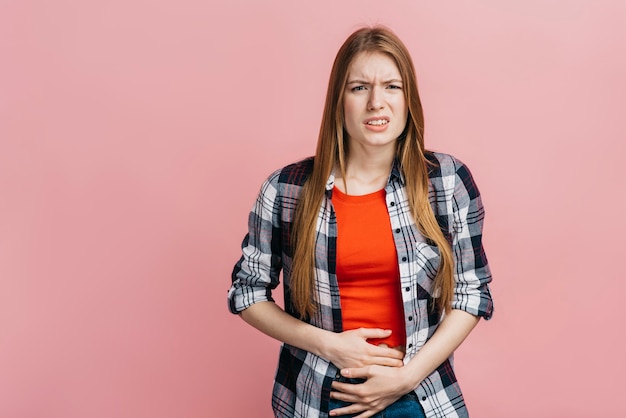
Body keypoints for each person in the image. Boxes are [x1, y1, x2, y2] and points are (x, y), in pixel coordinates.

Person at [227, 26, 493, 418]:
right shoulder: (286, 189)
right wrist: (328, 345)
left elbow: (471, 294)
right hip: (321, 395)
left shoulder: (447, 181)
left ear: (409, 99)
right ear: (339, 101)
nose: (376, 103)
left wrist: (407, 377)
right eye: (358, 88)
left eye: (391, 87)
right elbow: (247, 293)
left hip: (419, 394)